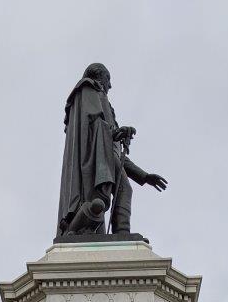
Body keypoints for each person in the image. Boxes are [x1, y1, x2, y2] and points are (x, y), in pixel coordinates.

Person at [57, 63, 167, 237]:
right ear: (100, 77)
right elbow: (93, 122)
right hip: (93, 157)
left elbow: (117, 154)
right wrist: (116, 132)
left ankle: (121, 233)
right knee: (123, 188)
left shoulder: (104, 102)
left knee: (124, 188)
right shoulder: (89, 88)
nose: (110, 85)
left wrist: (144, 176)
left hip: (106, 157)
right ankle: (122, 232)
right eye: (109, 80)